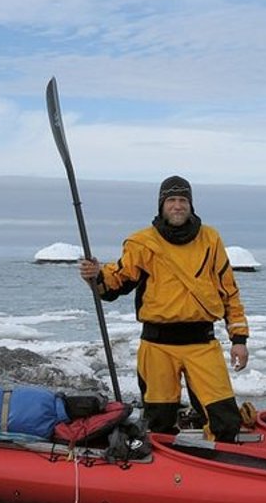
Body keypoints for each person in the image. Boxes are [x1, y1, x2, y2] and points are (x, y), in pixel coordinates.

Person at [79, 176, 249, 442]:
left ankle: (218, 471)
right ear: (161, 205)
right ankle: (165, 475)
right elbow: (115, 285)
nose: (177, 206)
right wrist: (96, 276)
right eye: (171, 200)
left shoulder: (210, 239)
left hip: (202, 344)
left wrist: (239, 339)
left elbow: (229, 293)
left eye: (183, 200)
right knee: (159, 424)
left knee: (225, 422)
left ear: (191, 205)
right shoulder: (141, 243)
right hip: (157, 347)